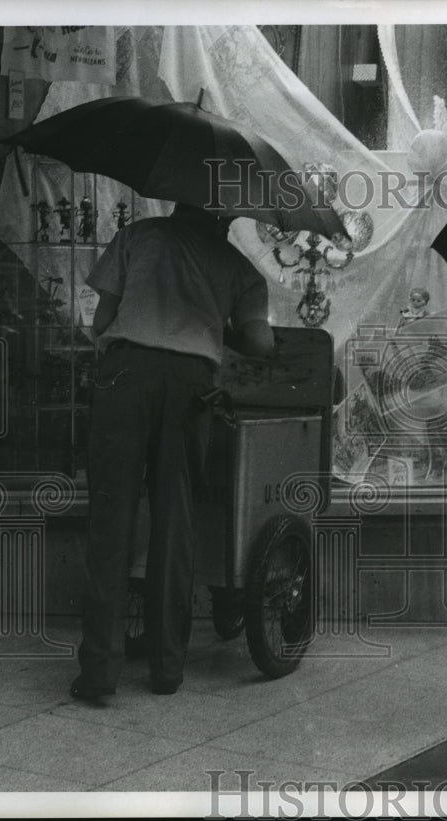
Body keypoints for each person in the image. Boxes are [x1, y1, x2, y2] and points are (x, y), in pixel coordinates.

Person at [70, 203, 274, 700]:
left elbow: (102, 321)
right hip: (190, 387)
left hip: (124, 378)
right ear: (224, 218)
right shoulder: (239, 268)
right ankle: (166, 669)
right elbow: (261, 343)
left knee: (110, 521)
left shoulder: (137, 236)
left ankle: (99, 672)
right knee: (175, 520)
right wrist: (210, 321)